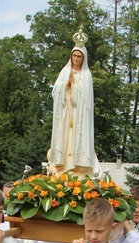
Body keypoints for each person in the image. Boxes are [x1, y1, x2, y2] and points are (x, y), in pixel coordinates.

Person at [47, 28, 99, 177]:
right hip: (65, 113)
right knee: (64, 138)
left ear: (83, 58)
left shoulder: (86, 75)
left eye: (79, 57)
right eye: (74, 56)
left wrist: (74, 88)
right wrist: (65, 86)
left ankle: (77, 167)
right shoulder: (65, 71)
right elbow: (55, 90)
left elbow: (87, 99)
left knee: (76, 139)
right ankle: (62, 166)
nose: (76, 59)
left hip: (79, 115)